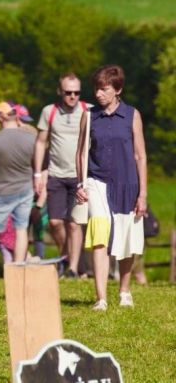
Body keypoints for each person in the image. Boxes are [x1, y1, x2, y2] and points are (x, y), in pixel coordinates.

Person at [75, 65, 147, 311]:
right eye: (96, 88)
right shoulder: (88, 116)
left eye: (104, 89)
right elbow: (80, 152)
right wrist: (80, 183)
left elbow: (140, 156)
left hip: (128, 184)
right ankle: (101, 297)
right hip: (97, 182)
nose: (98, 93)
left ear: (118, 90)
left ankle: (124, 291)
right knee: (99, 232)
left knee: (127, 238)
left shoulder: (132, 115)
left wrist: (143, 194)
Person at [32, 73, 89, 278]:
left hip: (79, 176)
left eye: (76, 92)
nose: (72, 96)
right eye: (68, 92)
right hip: (55, 174)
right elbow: (40, 143)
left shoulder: (88, 110)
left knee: (74, 223)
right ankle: (67, 254)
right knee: (55, 222)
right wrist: (38, 174)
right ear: (60, 91)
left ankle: (73, 268)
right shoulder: (50, 111)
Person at [0, 101, 37, 278]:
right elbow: (36, 162)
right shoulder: (31, 139)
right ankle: (18, 267)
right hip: (24, 190)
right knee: (21, 229)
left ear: (1, 116)